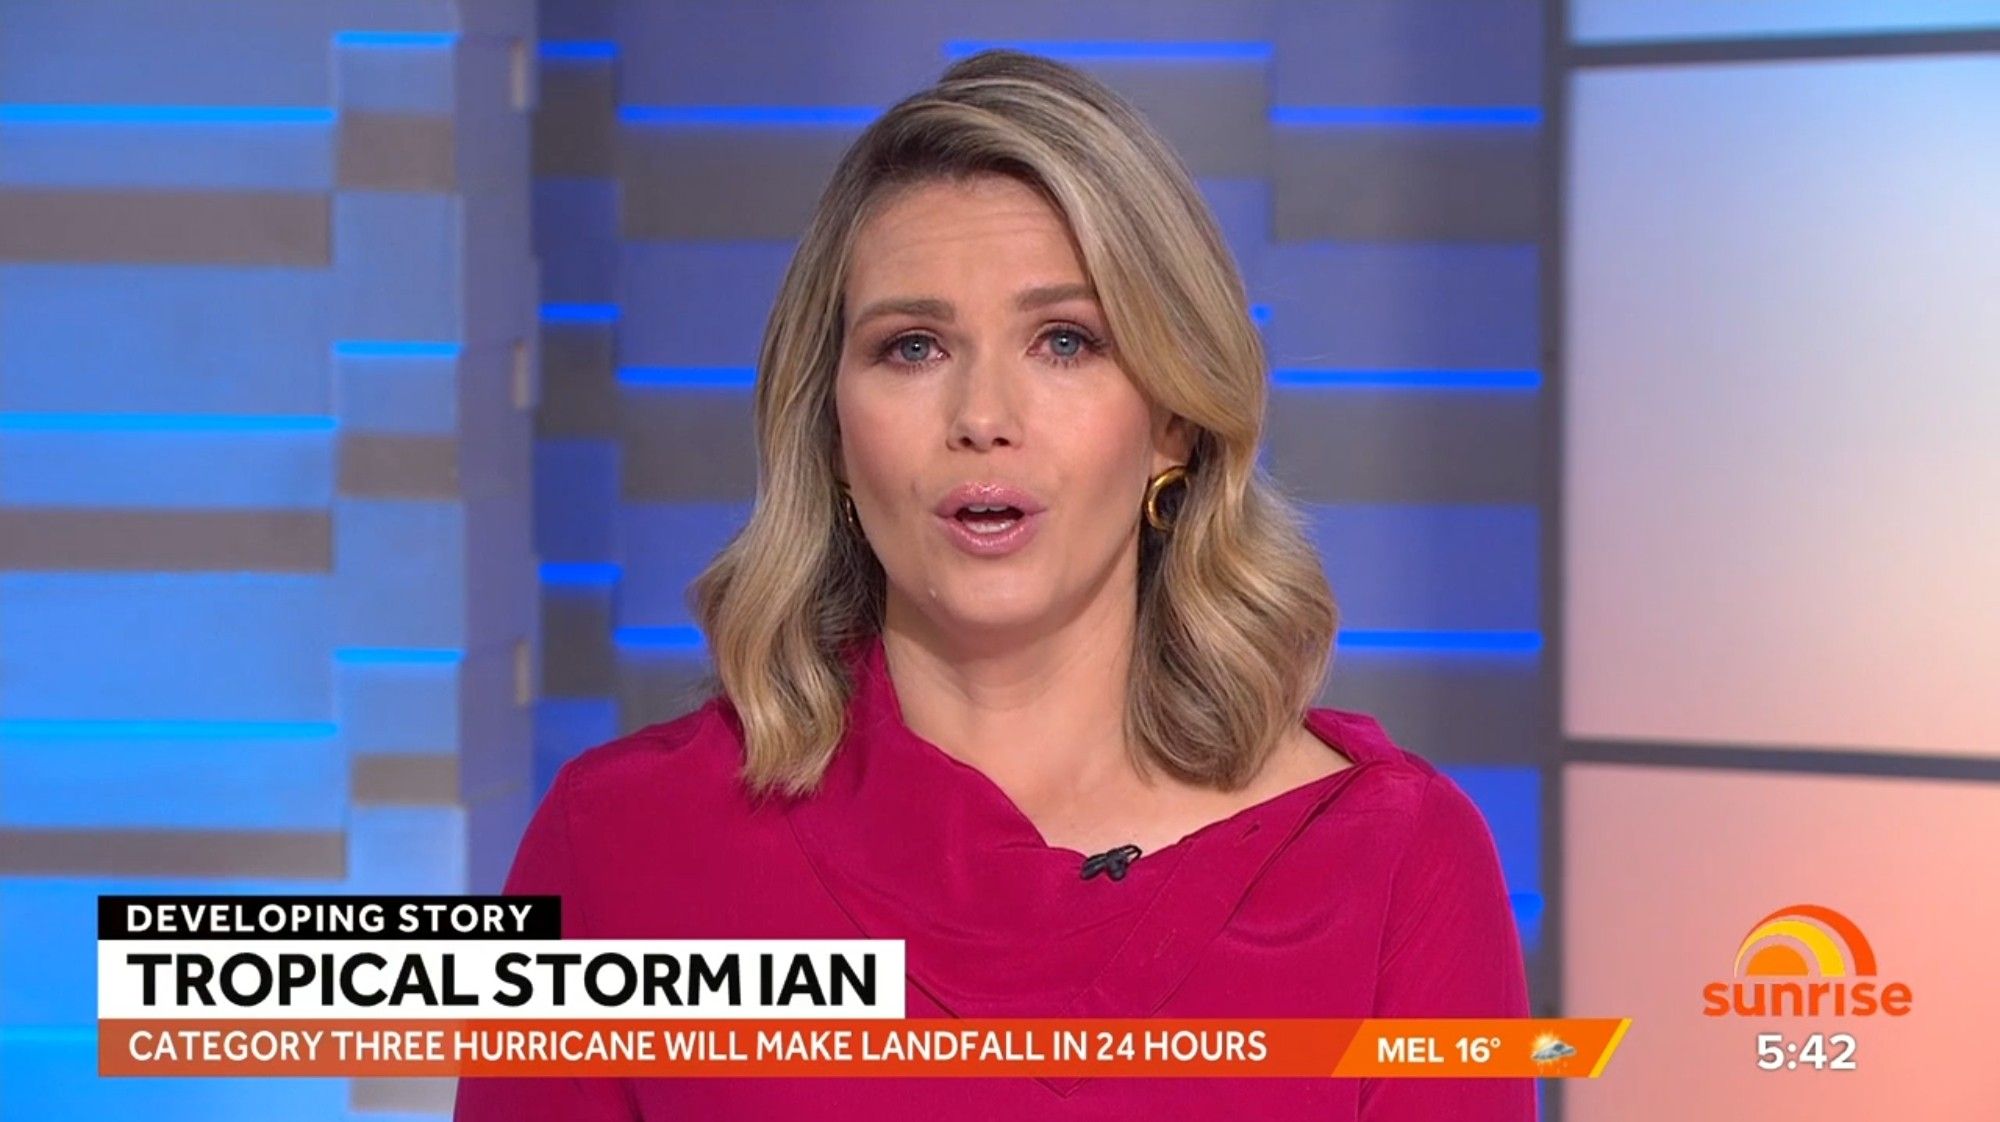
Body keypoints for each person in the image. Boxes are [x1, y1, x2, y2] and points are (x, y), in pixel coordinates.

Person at [455, 48, 1532, 1120]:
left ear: (1172, 419)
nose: (982, 416)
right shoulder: (622, 843)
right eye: (912, 347)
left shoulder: (1395, 863)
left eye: (1064, 341)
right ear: (832, 432)